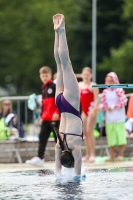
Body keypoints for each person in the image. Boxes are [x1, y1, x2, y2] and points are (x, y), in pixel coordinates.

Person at [53, 13, 83, 176]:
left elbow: (79, 163)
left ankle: (61, 31)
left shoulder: (75, 144)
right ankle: (56, 31)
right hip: (60, 103)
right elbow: (57, 166)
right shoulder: (60, 145)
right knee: (59, 64)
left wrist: (78, 176)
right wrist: (58, 175)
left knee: (66, 63)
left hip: (70, 104)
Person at [26, 66, 60, 167]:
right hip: (45, 118)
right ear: (40, 76)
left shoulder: (54, 86)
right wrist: (41, 116)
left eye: (46, 75)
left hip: (55, 118)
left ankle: (61, 158)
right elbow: (44, 104)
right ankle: (40, 158)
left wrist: (57, 112)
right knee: (42, 138)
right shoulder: (43, 87)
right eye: (42, 76)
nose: (44, 77)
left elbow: (59, 100)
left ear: (50, 75)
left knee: (58, 139)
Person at [99, 72, 127, 161]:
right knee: (111, 137)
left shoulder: (119, 90)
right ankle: (112, 156)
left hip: (119, 117)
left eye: (111, 81)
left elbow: (124, 101)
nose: (110, 83)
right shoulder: (105, 92)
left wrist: (113, 106)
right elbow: (103, 104)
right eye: (108, 81)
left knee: (121, 136)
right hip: (109, 118)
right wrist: (99, 108)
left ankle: (121, 155)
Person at [78, 67, 99, 163]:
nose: (86, 76)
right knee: (85, 133)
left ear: (91, 75)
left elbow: (96, 100)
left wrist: (94, 110)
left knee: (89, 131)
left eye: (88, 75)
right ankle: (87, 154)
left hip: (92, 110)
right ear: (82, 75)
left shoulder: (93, 86)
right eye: (84, 74)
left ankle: (92, 154)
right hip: (84, 111)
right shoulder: (80, 85)